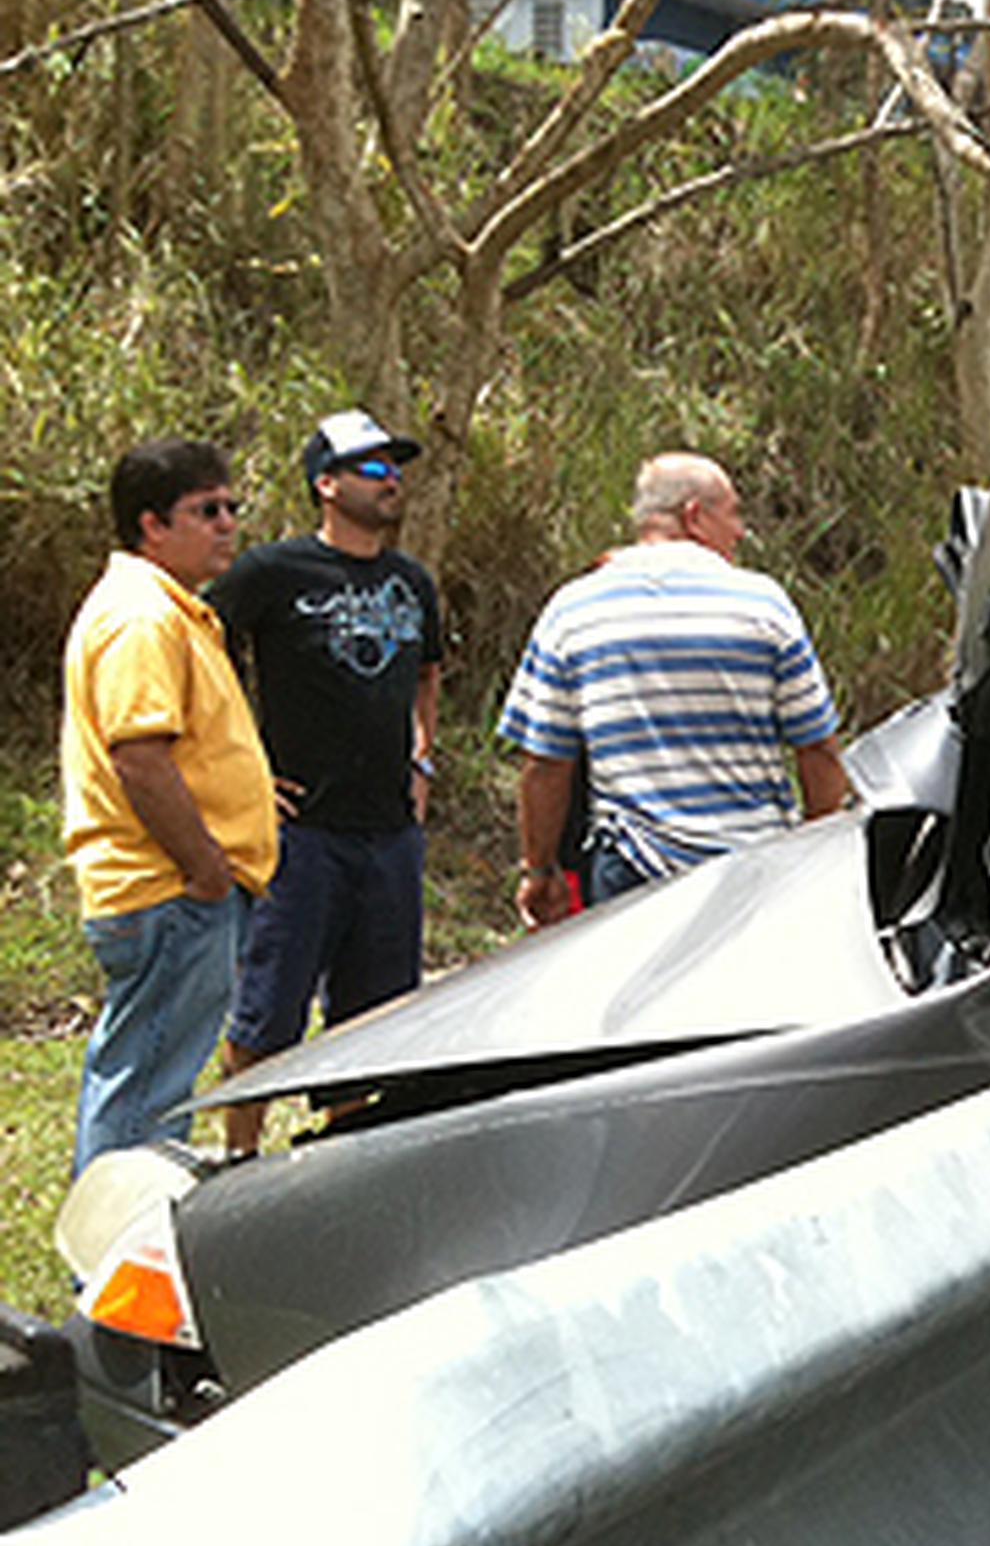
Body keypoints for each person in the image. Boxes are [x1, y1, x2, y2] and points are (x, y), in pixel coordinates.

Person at [205, 409, 443, 1157]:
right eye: (372, 467)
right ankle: (239, 1154)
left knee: (376, 1017)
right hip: (301, 833)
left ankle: (345, 1153)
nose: (391, 478)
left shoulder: (410, 581)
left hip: (390, 835)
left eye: (395, 466)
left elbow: (428, 673)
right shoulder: (271, 573)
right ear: (327, 484)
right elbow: (202, 657)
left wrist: (422, 756)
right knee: (269, 1008)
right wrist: (242, 768)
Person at [499, 452, 850, 928]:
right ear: (694, 516)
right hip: (752, 869)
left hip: (632, 871)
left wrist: (540, 870)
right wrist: (815, 850)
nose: (740, 531)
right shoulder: (764, 604)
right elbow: (818, 749)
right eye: (733, 514)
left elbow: (546, 764)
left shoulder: (573, 608)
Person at [59, 440, 279, 1175]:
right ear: (151, 525)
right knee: (144, 1098)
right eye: (206, 510)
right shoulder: (143, 619)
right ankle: (114, 1246)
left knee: (151, 1082)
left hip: (181, 892)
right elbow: (140, 758)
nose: (227, 523)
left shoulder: (174, 613)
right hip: (170, 891)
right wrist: (205, 868)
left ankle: (129, 1233)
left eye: (231, 507)